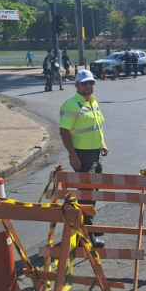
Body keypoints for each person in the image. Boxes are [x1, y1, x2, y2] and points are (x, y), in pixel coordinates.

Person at [59, 70, 107, 248]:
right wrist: (73, 155)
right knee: (86, 194)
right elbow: (64, 131)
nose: (88, 86)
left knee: (93, 191)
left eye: (91, 83)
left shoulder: (92, 102)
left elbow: (97, 126)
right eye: (84, 83)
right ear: (77, 85)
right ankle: (85, 236)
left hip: (95, 153)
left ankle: (89, 225)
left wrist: (103, 144)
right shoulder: (71, 105)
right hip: (82, 155)